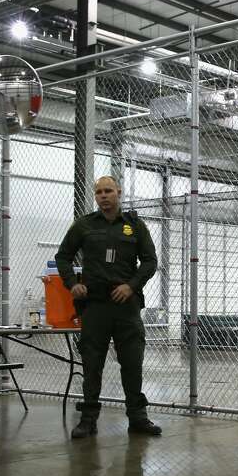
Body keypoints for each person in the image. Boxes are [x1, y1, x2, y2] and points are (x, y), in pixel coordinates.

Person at [55, 176, 161, 439]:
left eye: (108, 191)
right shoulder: (85, 225)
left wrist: (132, 286)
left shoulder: (135, 226)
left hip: (126, 306)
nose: (103, 196)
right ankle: (88, 420)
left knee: (132, 362)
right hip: (95, 307)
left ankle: (137, 418)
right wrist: (72, 284)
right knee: (92, 364)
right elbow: (63, 256)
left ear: (119, 193)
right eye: (99, 192)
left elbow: (150, 261)